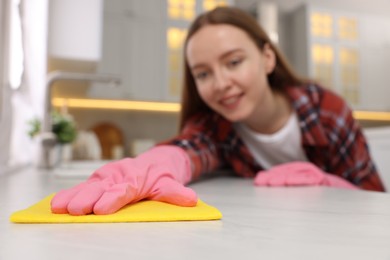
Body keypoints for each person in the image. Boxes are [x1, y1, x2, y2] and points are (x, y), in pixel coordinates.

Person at [51, 6, 385, 216]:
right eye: (203, 73)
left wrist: (325, 182)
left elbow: (375, 200)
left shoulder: (327, 111)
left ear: (267, 58)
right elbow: (188, 150)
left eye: (234, 62)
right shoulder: (215, 127)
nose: (221, 83)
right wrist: (148, 167)